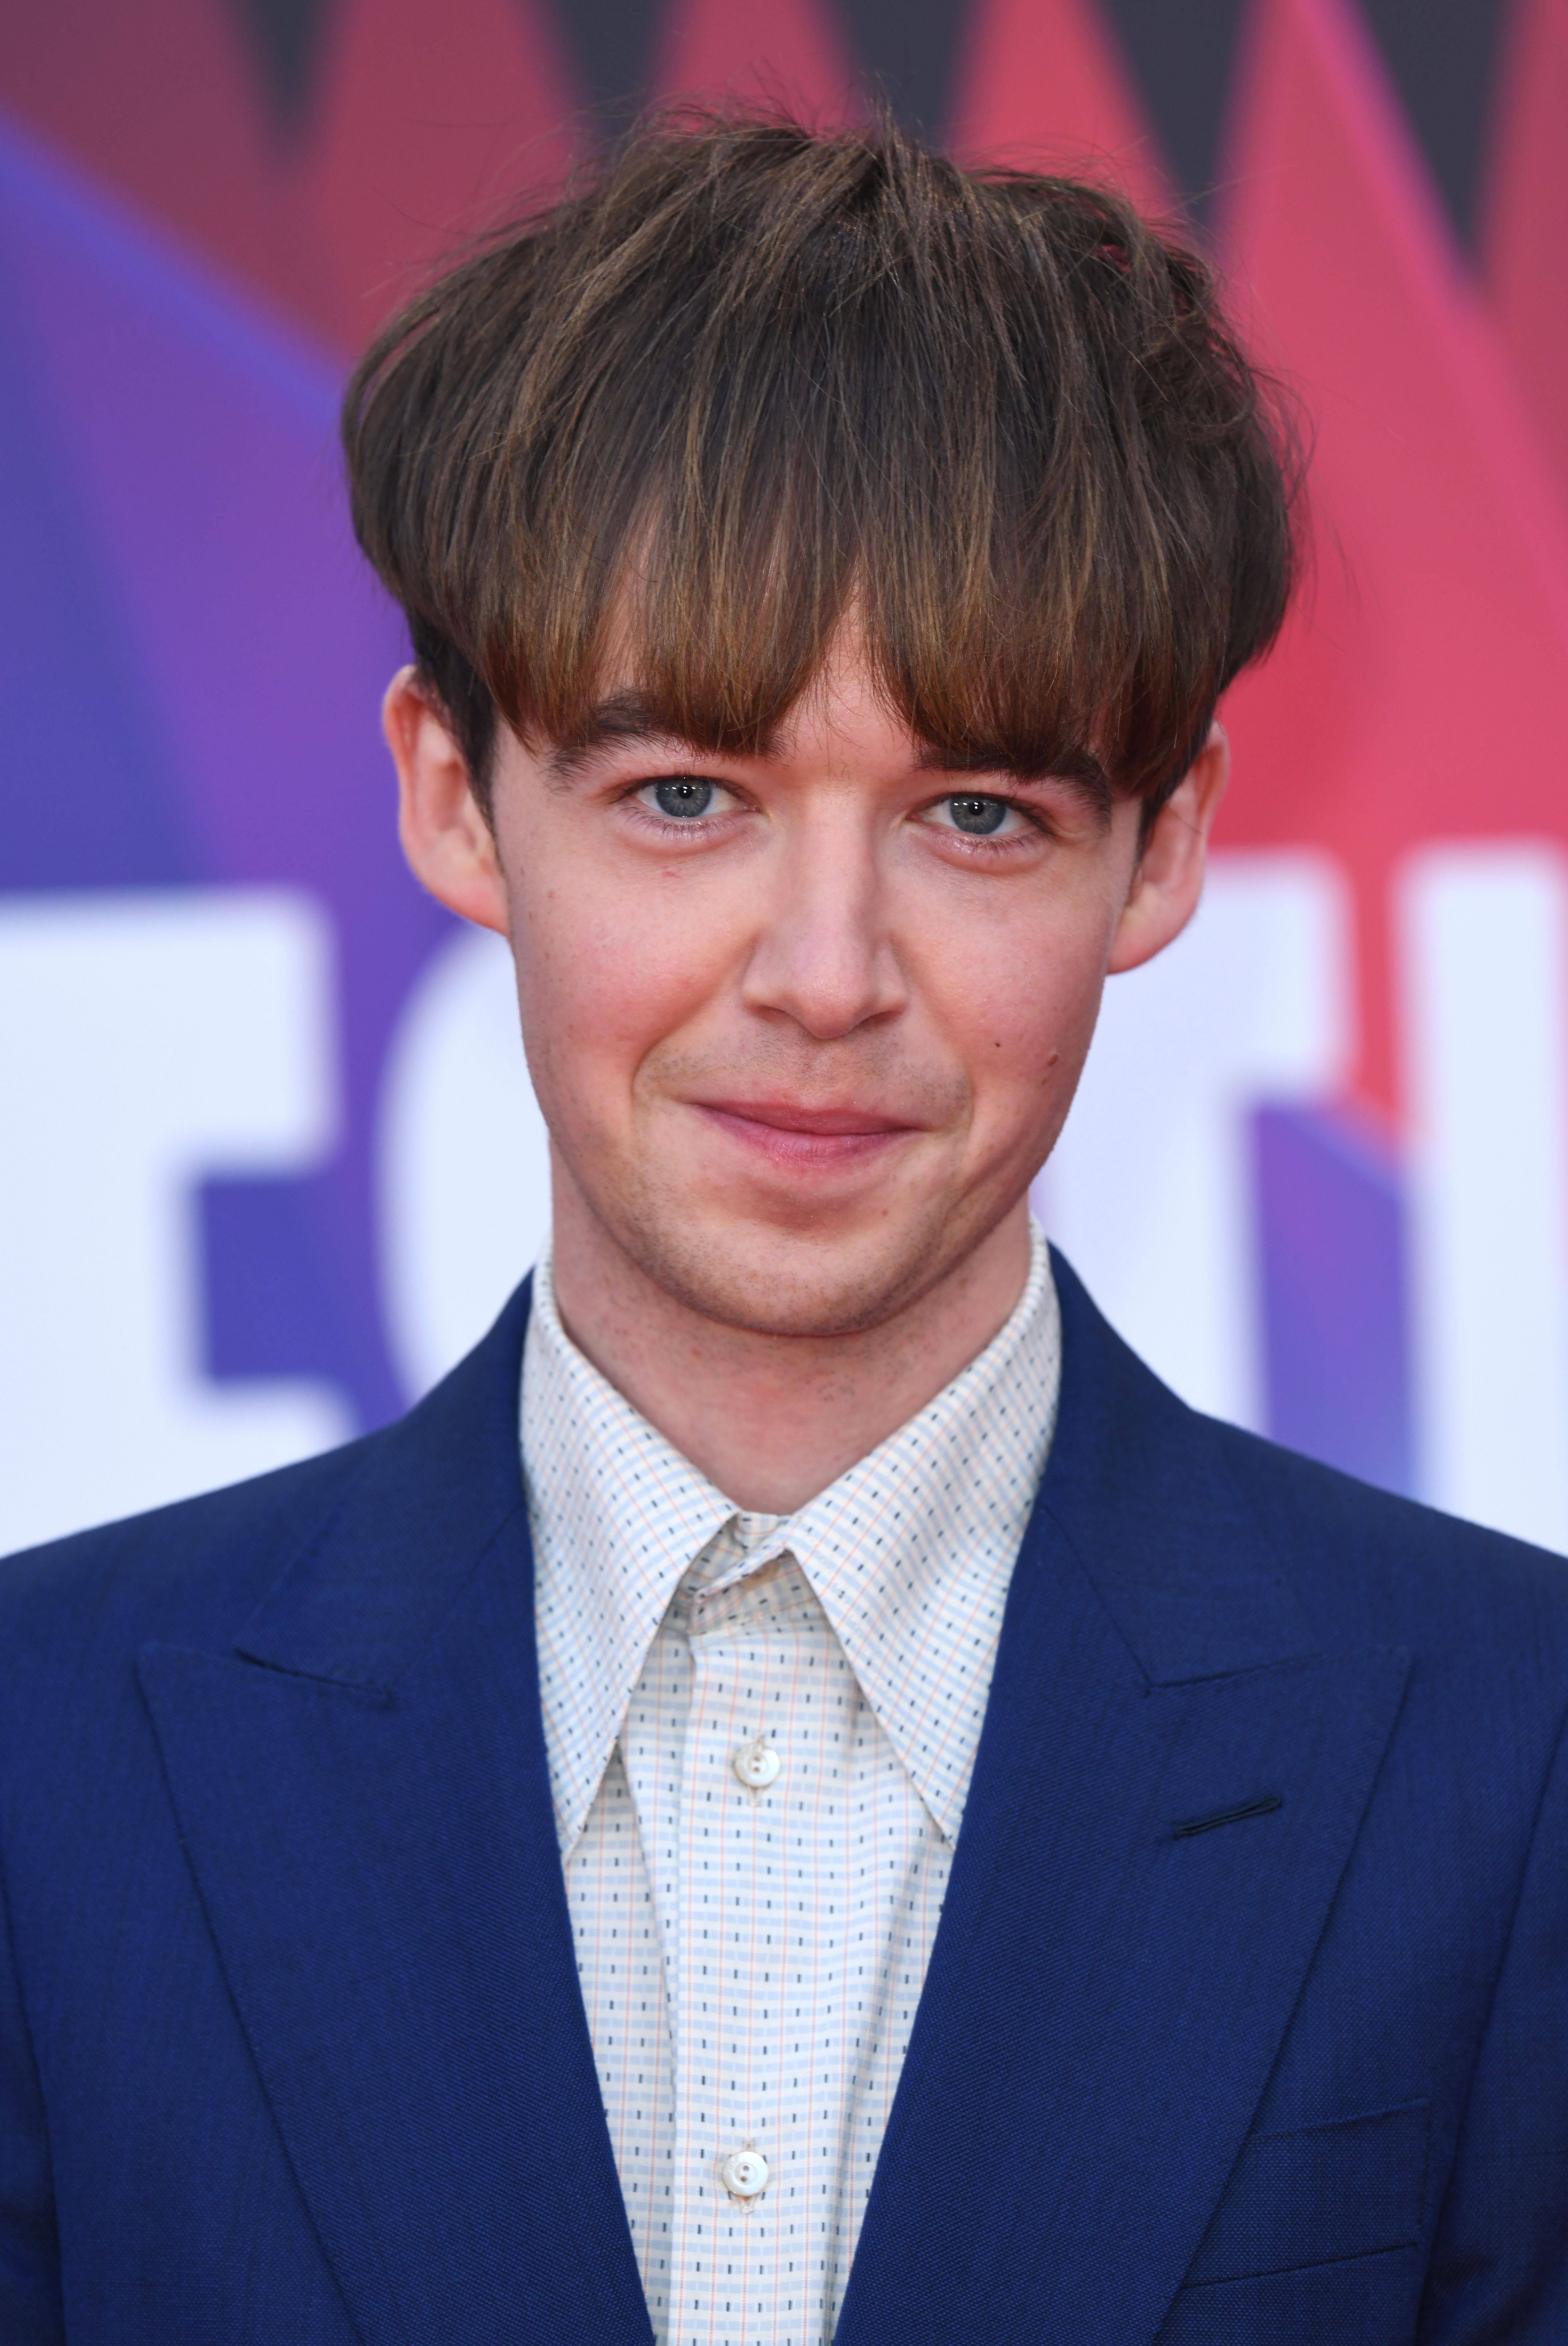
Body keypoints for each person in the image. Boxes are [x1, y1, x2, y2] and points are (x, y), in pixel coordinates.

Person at [1, 110, 1565, 2346]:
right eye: (684, 797)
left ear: (1159, 850)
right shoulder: (47, 1760)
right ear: (457, 794)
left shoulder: (1516, 1755)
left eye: (974, 813)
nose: (825, 971)